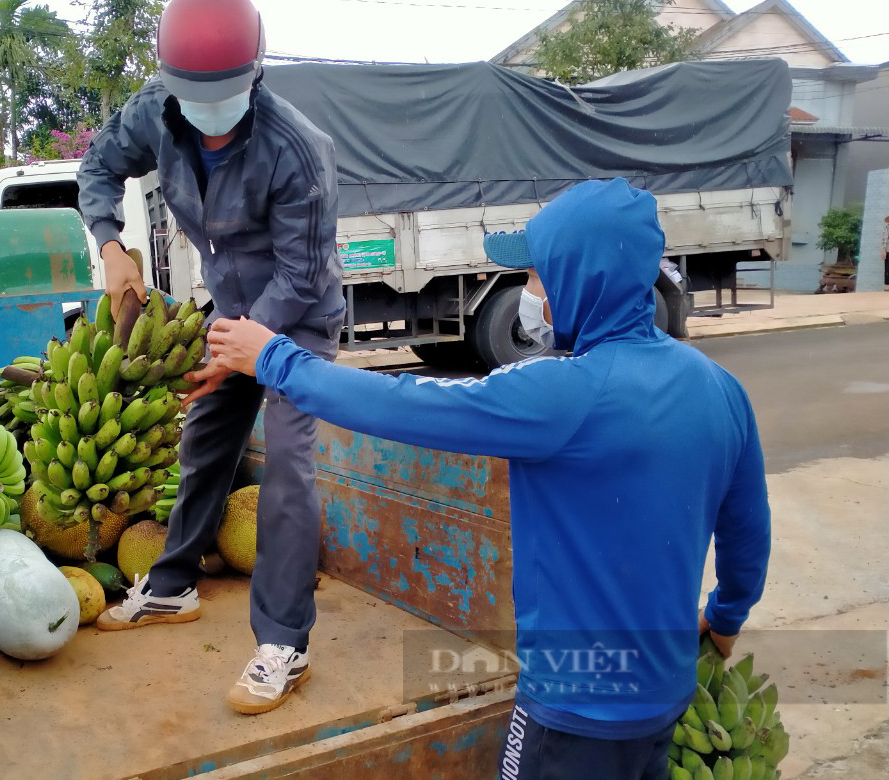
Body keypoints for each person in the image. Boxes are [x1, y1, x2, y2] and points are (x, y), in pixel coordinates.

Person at [206, 178, 771, 778]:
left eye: (535, 276)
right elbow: (748, 534)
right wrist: (727, 615)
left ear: (578, 278)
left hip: (572, 707)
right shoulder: (719, 388)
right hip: (662, 695)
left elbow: (401, 404)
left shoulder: (564, 394)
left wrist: (272, 356)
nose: (530, 293)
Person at [75, 0, 344, 715]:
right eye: (195, 99)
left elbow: (303, 274)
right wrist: (109, 245)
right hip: (227, 311)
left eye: (224, 98)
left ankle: (285, 644)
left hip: (298, 322)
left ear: (255, 75)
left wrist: (246, 350)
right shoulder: (155, 113)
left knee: (288, 472)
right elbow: (98, 168)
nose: (209, 114)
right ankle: (170, 588)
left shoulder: (298, 149)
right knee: (204, 445)